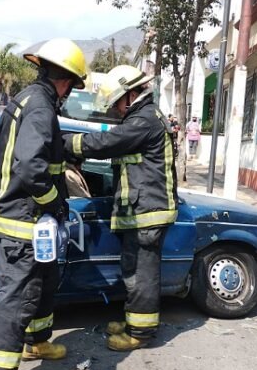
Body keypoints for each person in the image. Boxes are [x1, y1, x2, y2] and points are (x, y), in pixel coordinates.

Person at [0, 38, 88, 370]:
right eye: (73, 86)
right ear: (67, 81)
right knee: (19, 294)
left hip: (20, 216)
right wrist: (56, 202)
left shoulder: (28, 99)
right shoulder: (41, 108)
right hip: (19, 220)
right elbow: (30, 168)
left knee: (42, 283)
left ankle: (36, 343)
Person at [65, 64, 178, 352]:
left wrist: (65, 144)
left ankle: (140, 333)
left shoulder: (143, 121)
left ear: (129, 94)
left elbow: (106, 143)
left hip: (148, 211)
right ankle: (133, 323)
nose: (115, 109)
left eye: (116, 102)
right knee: (133, 270)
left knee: (142, 275)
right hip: (140, 210)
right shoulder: (143, 117)